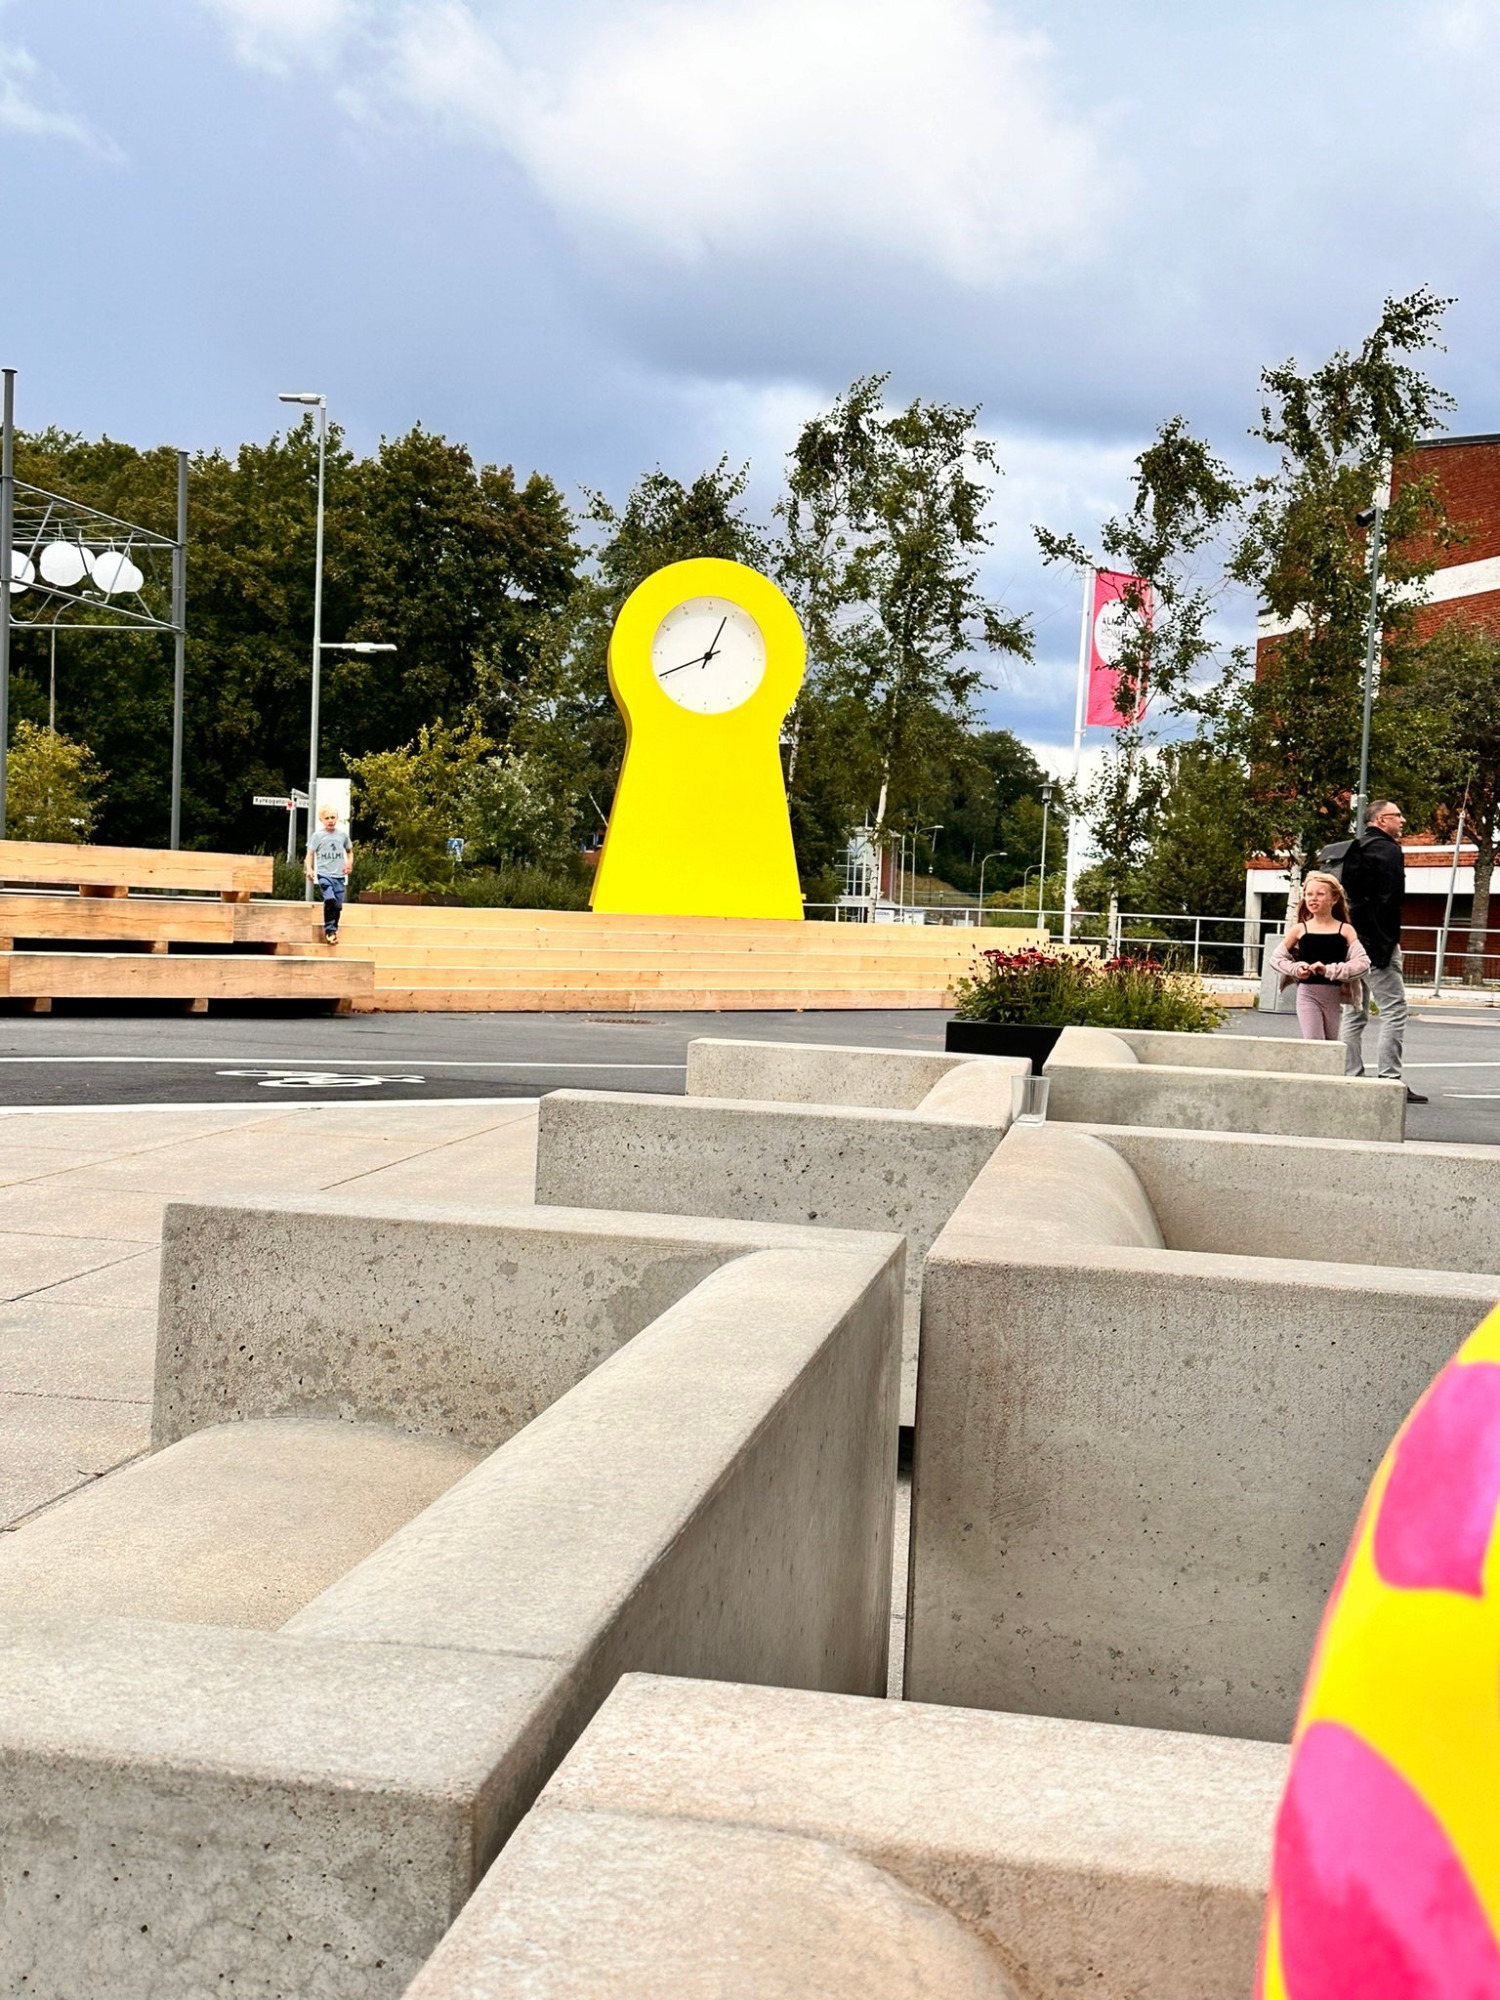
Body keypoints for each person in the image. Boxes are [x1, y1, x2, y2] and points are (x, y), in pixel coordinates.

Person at [1339, 799, 1426, 1103]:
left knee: (1354, 1011)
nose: (1402, 820)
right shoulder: (1387, 850)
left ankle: (1350, 1075)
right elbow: (1390, 900)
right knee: (1394, 1010)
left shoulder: (1353, 849)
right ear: (1379, 820)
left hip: (1349, 943)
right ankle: (1390, 1079)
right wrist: (1386, 945)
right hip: (1377, 944)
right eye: (1397, 815)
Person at [1269, 872, 1369, 1040]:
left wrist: (1328, 970)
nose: (1313, 899)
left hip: (1333, 996)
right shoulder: (1299, 929)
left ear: (1334, 898)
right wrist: (1296, 968)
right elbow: (1276, 958)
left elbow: (1363, 963)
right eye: (1309, 894)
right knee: (1315, 1042)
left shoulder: (1345, 930)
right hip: (1307, 994)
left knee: (1330, 1045)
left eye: (1320, 894)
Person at [305, 803, 352, 945]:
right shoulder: (318, 836)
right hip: (324, 874)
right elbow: (310, 854)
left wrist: (349, 864)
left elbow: (349, 852)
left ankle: (333, 929)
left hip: (339, 876)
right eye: (327, 818)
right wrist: (309, 869)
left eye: (333, 817)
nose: (330, 820)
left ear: (336, 818)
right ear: (321, 820)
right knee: (330, 898)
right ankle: (330, 930)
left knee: (337, 905)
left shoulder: (342, 835)